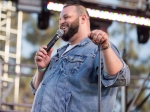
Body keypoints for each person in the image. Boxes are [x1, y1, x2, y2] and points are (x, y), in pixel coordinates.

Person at [30, 4, 130, 112]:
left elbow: (120, 76)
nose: (61, 22)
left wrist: (105, 46)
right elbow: (36, 89)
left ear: (83, 19)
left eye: (66, 17)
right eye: (60, 19)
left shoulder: (97, 47)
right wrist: (41, 69)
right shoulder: (58, 54)